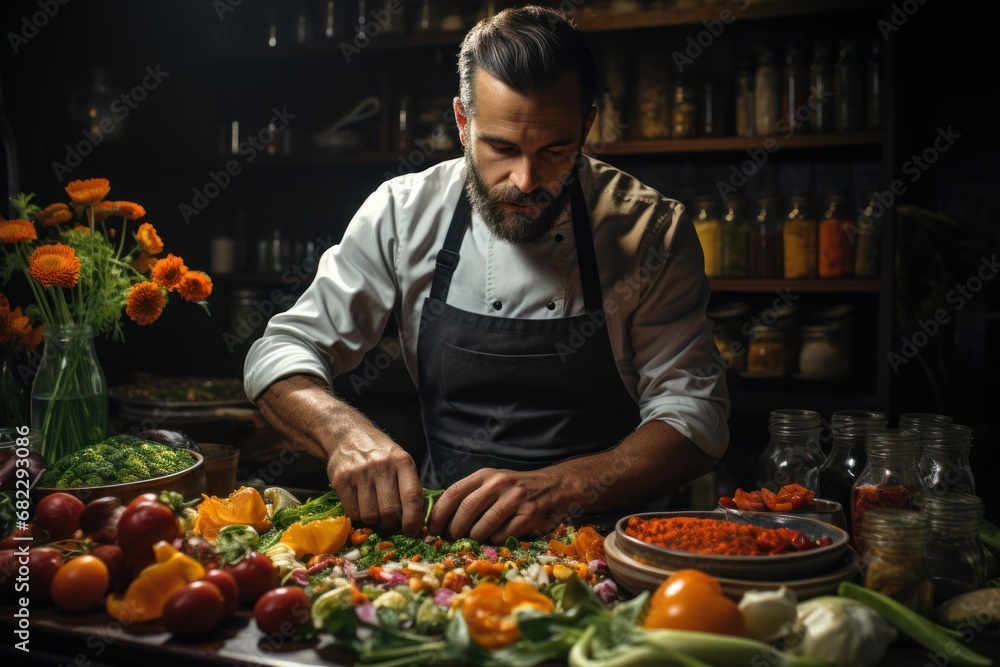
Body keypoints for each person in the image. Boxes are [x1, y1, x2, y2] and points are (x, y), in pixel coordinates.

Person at [243, 5, 730, 543]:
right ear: (462, 121)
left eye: (556, 149)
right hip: (437, 541)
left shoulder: (651, 230)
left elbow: (694, 416)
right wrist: (343, 435)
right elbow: (280, 351)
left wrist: (565, 487)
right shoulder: (403, 215)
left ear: (587, 125)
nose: (525, 180)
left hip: (608, 541)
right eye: (501, 147)